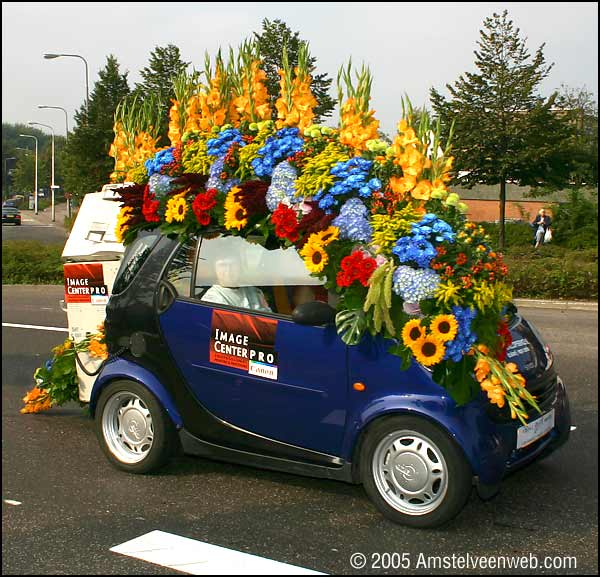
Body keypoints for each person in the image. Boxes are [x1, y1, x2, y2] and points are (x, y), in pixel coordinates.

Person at [201, 257, 272, 312]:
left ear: (240, 267)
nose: (228, 270)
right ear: (214, 269)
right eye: (222, 265)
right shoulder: (211, 300)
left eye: (233, 264)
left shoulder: (254, 291)